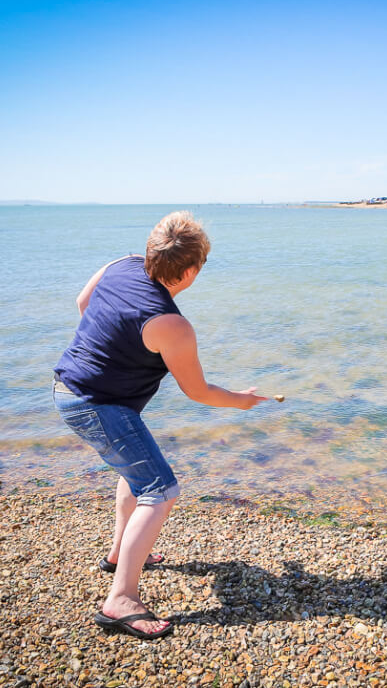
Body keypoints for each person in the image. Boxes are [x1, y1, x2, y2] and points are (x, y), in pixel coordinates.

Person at [53, 211, 267, 639]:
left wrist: (110, 349)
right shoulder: (171, 324)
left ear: (150, 249)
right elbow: (199, 391)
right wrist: (242, 401)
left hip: (68, 388)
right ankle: (120, 600)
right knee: (162, 490)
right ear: (189, 271)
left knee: (136, 474)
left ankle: (119, 554)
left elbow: (83, 303)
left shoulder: (122, 264)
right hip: (98, 406)